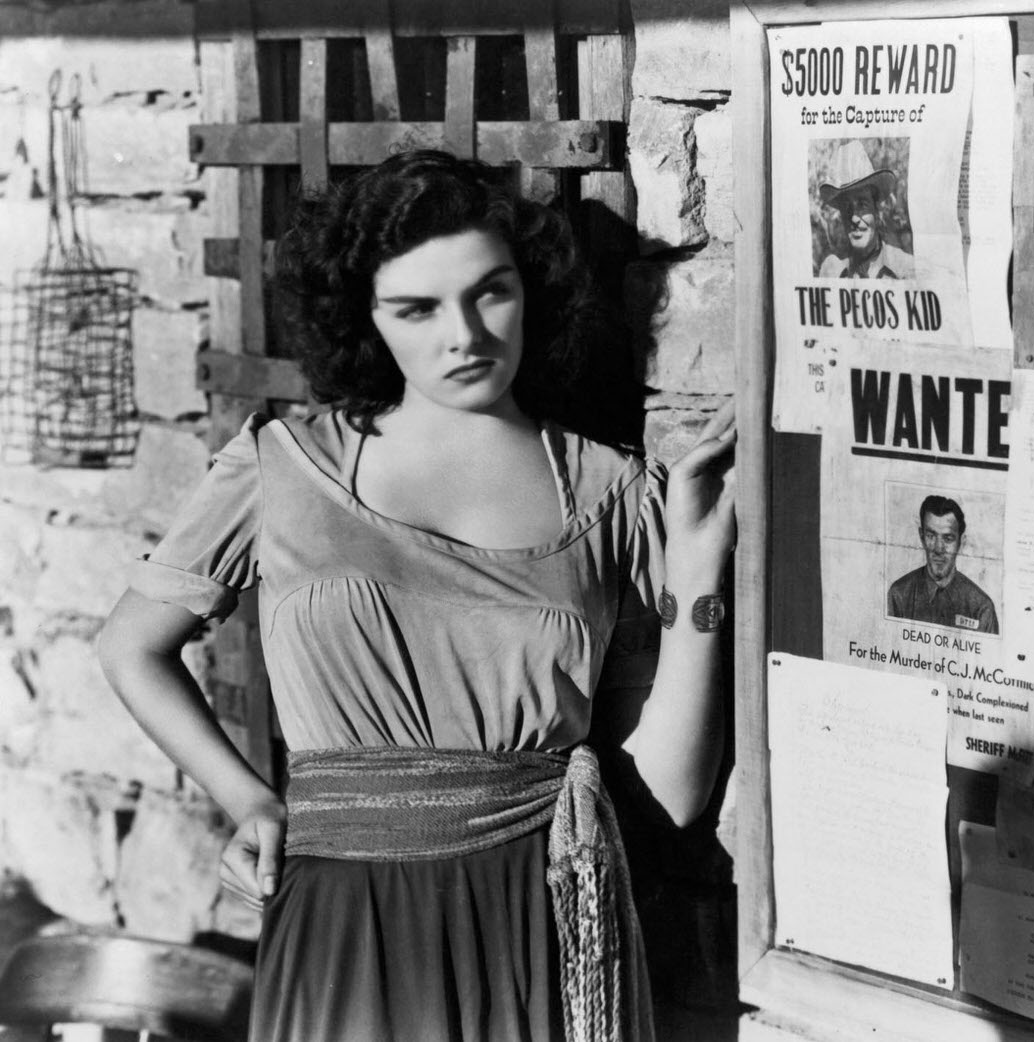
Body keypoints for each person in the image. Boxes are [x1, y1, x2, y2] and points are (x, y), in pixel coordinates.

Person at [97, 150, 736, 1042]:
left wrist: (701, 586)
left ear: (532, 290)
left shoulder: (610, 492)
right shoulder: (281, 466)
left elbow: (666, 797)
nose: (464, 334)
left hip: (535, 927)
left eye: (491, 292)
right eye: (417, 308)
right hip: (341, 925)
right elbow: (130, 647)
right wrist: (248, 801)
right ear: (368, 319)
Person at [887, 494, 998, 634]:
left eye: (948, 538)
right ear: (921, 537)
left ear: (961, 543)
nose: (939, 548)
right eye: (931, 536)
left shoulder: (981, 607)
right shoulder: (899, 594)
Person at [815, 140, 915, 280]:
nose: (854, 218)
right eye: (847, 208)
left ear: (877, 211)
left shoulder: (905, 268)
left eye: (862, 205)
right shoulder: (834, 273)